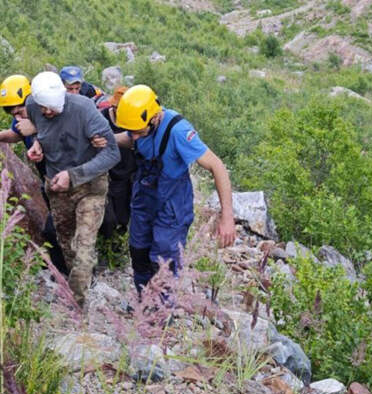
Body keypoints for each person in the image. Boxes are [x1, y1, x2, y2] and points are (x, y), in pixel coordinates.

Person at [113, 85, 236, 293]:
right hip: (144, 199)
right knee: (138, 252)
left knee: (163, 262)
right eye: (131, 132)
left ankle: (161, 308)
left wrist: (227, 217)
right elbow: (130, 137)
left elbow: (217, 166)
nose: (134, 137)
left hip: (172, 206)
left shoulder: (178, 131)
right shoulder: (138, 125)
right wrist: (108, 139)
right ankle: (143, 302)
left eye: (138, 132)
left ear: (154, 118)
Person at [25, 71, 120, 307]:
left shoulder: (84, 109)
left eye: (51, 109)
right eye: (43, 107)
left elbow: (112, 153)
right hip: (57, 186)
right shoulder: (33, 106)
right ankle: (80, 286)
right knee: (67, 245)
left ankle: (77, 305)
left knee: (84, 246)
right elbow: (43, 131)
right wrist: (38, 145)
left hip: (90, 185)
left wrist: (73, 175)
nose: (46, 112)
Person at [0, 74, 68, 275]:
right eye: (10, 112)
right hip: (48, 180)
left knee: (55, 229)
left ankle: (71, 273)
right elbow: (16, 134)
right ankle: (63, 272)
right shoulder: (23, 121)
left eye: (19, 110)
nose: (17, 117)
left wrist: (37, 129)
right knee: (55, 228)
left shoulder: (51, 115)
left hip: (66, 179)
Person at [98, 86, 136, 238]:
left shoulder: (134, 121)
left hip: (128, 174)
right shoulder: (101, 119)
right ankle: (106, 242)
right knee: (109, 219)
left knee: (124, 217)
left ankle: (117, 244)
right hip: (107, 174)